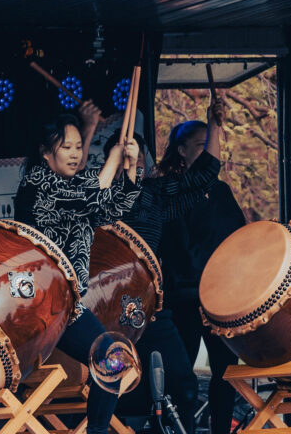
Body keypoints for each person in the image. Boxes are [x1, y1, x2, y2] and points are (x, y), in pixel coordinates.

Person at [103, 96, 226, 434]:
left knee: (182, 386)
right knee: (108, 388)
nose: (137, 164)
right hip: (103, 310)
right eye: (129, 159)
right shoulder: (99, 198)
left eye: (141, 158)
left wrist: (214, 125)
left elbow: (205, 173)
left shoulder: (154, 196)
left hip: (147, 308)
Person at [14, 112, 141, 434]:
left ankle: (95, 431)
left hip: (66, 305)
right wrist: (113, 156)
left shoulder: (75, 190)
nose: (74, 154)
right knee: (5, 378)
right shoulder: (38, 183)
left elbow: (115, 207)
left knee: (114, 360)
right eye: (67, 147)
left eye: (77, 147)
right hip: (32, 299)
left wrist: (130, 166)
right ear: (46, 153)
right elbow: (91, 194)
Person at [160, 120, 247, 434]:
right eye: (200, 144)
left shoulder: (220, 191)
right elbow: (176, 249)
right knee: (182, 374)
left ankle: (221, 429)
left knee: (225, 371)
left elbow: (238, 238)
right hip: (185, 294)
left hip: (221, 297)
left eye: (211, 143)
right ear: (181, 151)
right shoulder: (172, 191)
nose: (209, 150)